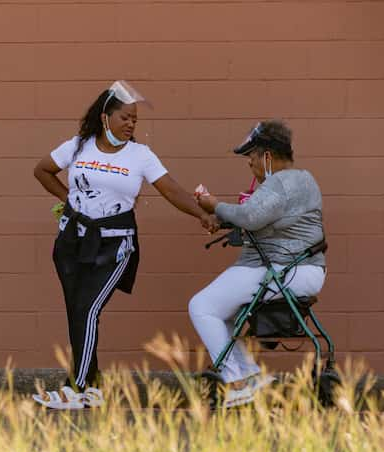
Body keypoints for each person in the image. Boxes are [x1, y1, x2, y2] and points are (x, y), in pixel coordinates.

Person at [32, 80, 218, 409]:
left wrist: (199, 215)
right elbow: (42, 170)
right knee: (78, 313)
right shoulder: (78, 146)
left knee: (88, 309)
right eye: (126, 118)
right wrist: (69, 202)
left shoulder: (140, 156)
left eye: (135, 120)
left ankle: (77, 388)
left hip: (115, 245)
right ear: (106, 118)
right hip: (72, 241)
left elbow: (171, 190)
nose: (132, 124)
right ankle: (94, 384)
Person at [191, 120, 326, 407]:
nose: (249, 163)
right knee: (220, 312)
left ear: (266, 156)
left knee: (201, 306)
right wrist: (225, 217)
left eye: (251, 156)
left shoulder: (280, 181)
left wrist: (213, 204)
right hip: (305, 270)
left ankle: (238, 381)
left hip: (282, 269)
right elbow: (264, 216)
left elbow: (251, 217)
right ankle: (249, 377)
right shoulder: (305, 180)